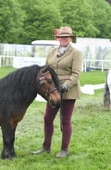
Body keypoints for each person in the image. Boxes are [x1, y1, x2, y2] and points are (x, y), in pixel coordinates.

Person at [32, 26, 82, 158]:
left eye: (66, 37)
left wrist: (65, 86)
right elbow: (46, 69)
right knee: (48, 118)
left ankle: (64, 149)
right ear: (58, 38)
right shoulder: (52, 51)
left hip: (69, 90)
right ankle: (46, 147)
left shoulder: (76, 53)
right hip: (52, 90)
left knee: (65, 120)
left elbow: (76, 74)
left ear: (70, 38)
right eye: (61, 37)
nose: (63, 39)